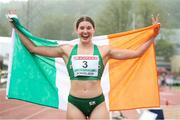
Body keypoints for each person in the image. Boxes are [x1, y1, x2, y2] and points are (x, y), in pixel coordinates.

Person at [8, 10, 159, 119]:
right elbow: (33, 48)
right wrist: (17, 27)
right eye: (82, 28)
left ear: (94, 30)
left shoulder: (104, 51)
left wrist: (153, 35)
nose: (85, 31)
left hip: (98, 103)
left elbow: (136, 53)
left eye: (88, 28)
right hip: (75, 103)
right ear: (77, 30)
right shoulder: (66, 50)